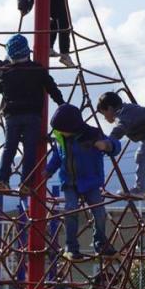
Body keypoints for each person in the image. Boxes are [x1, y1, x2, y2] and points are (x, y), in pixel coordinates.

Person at [0, 34, 66, 193]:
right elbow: (51, 87)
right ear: (28, 52)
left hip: (12, 116)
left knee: (9, 148)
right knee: (30, 149)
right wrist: (61, 104)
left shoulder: (5, 70)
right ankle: (26, 183)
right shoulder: (37, 69)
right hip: (32, 116)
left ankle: (2, 179)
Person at [45, 103, 121, 261]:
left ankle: (100, 243)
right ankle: (71, 247)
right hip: (70, 182)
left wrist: (107, 145)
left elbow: (115, 145)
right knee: (70, 210)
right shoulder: (61, 138)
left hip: (91, 180)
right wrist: (47, 172)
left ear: (72, 126)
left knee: (99, 212)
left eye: (62, 129)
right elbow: (57, 158)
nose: (59, 132)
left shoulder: (92, 134)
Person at [95, 91, 145, 200]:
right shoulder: (127, 109)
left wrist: (108, 142)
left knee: (142, 154)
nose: (105, 118)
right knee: (142, 155)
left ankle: (140, 189)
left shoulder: (122, 114)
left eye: (104, 114)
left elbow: (120, 128)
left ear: (109, 108)